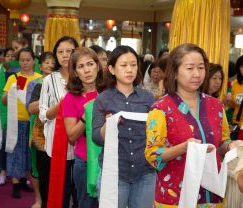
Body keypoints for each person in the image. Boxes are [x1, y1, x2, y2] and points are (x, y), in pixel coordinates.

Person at [145, 43, 242, 207]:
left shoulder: (216, 106)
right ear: (174, 73)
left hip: (211, 196)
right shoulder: (161, 108)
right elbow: (152, 155)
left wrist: (230, 146)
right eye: (190, 68)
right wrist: (182, 148)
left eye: (201, 68)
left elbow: (221, 144)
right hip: (175, 196)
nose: (197, 74)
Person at [92, 45, 156, 208]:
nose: (130, 70)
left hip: (145, 172)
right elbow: (97, 138)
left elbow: (156, 134)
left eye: (133, 65)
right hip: (114, 174)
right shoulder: (103, 99)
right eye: (124, 65)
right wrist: (108, 125)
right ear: (112, 69)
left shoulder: (148, 98)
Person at [39, 36, 79, 208]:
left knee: (79, 190)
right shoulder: (49, 80)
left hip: (80, 143)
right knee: (61, 190)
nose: (65, 55)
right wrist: (62, 105)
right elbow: (43, 114)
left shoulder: (83, 76)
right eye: (60, 52)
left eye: (69, 51)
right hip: (56, 143)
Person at [63, 47, 104, 208]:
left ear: (98, 66)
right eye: (81, 66)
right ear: (75, 72)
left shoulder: (109, 92)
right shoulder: (70, 98)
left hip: (111, 160)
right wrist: (86, 116)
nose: (87, 70)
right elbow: (71, 136)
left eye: (90, 64)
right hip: (85, 161)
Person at [2, 48, 41, 199]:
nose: (25, 63)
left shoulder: (40, 78)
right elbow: (4, 101)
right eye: (22, 60)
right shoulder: (15, 78)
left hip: (34, 122)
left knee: (29, 154)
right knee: (15, 152)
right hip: (16, 121)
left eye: (28, 60)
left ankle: (25, 181)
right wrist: (10, 92)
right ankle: (16, 184)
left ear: (34, 61)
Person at [28, 52, 55, 208]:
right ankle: (40, 200)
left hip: (58, 131)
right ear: (40, 65)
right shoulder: (37, 83)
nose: (50, 65)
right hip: (40, 129)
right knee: (41, 171)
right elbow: (30, 108)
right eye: (47, 62)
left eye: (53, 62)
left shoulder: (64, 82)